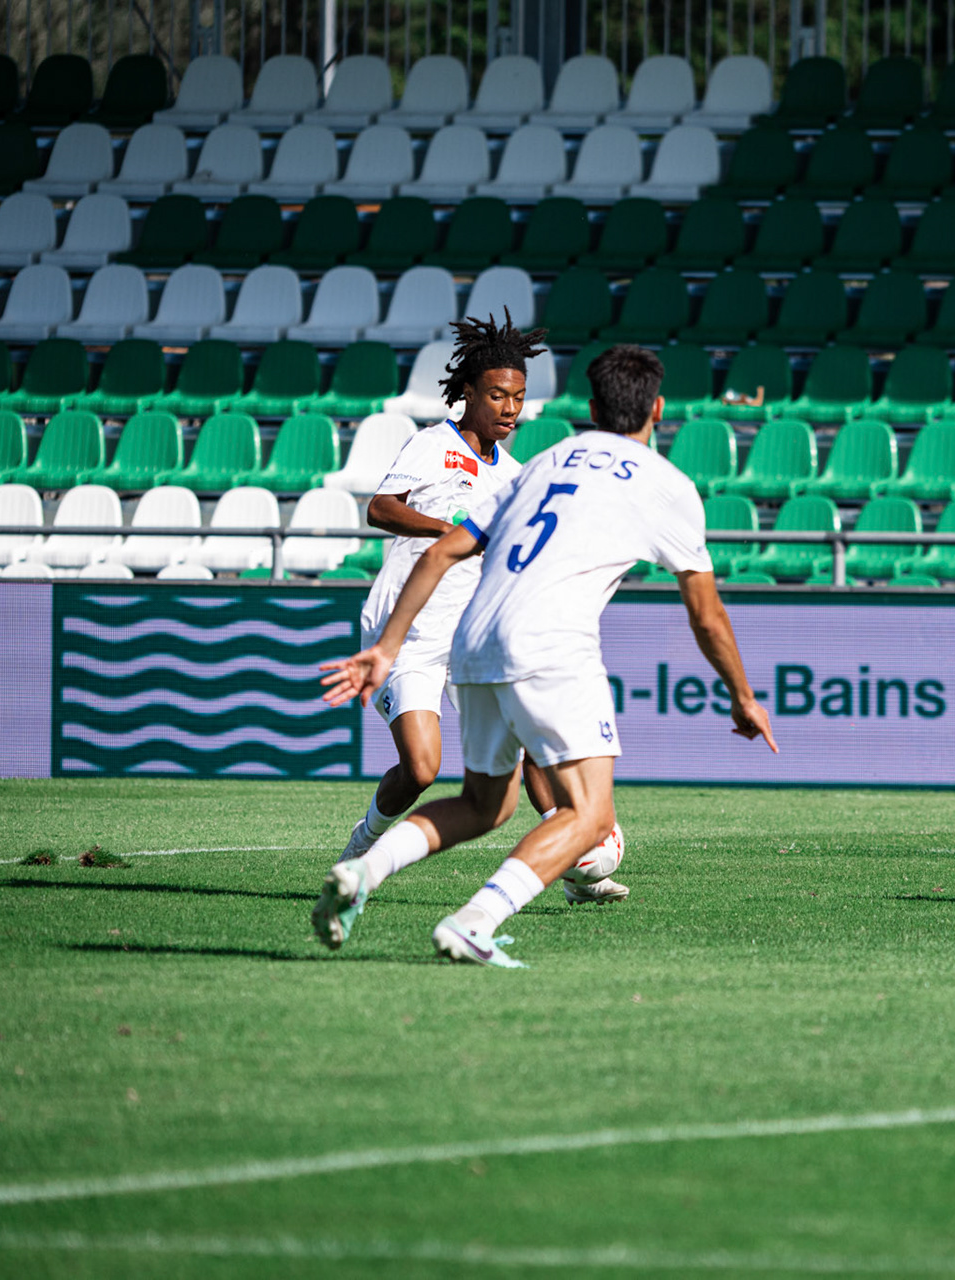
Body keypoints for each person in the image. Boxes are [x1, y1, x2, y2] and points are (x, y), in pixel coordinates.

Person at [314, 345, 777, 966]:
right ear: (658, 409)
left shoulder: (545, 462)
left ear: (590, 408)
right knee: (589, 814)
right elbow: (706, 613)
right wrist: (743, 696)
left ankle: (364, 872)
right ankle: (476, 920)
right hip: (549, 642)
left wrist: (384, 647)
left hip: (473, 638)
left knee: (486, 805)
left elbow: (442, 552)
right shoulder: (667, 485)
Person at [338, 311, 628, 905]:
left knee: (533, 758)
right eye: (497, 395)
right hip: (410, 633)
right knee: (421, 770)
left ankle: (576, 874)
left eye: (518, 398)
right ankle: (362, 844)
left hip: (470, 641)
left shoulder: (518, 476)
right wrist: (452, 531)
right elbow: (381, 509)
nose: (510, 409)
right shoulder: (431, 444)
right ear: (467, 394)